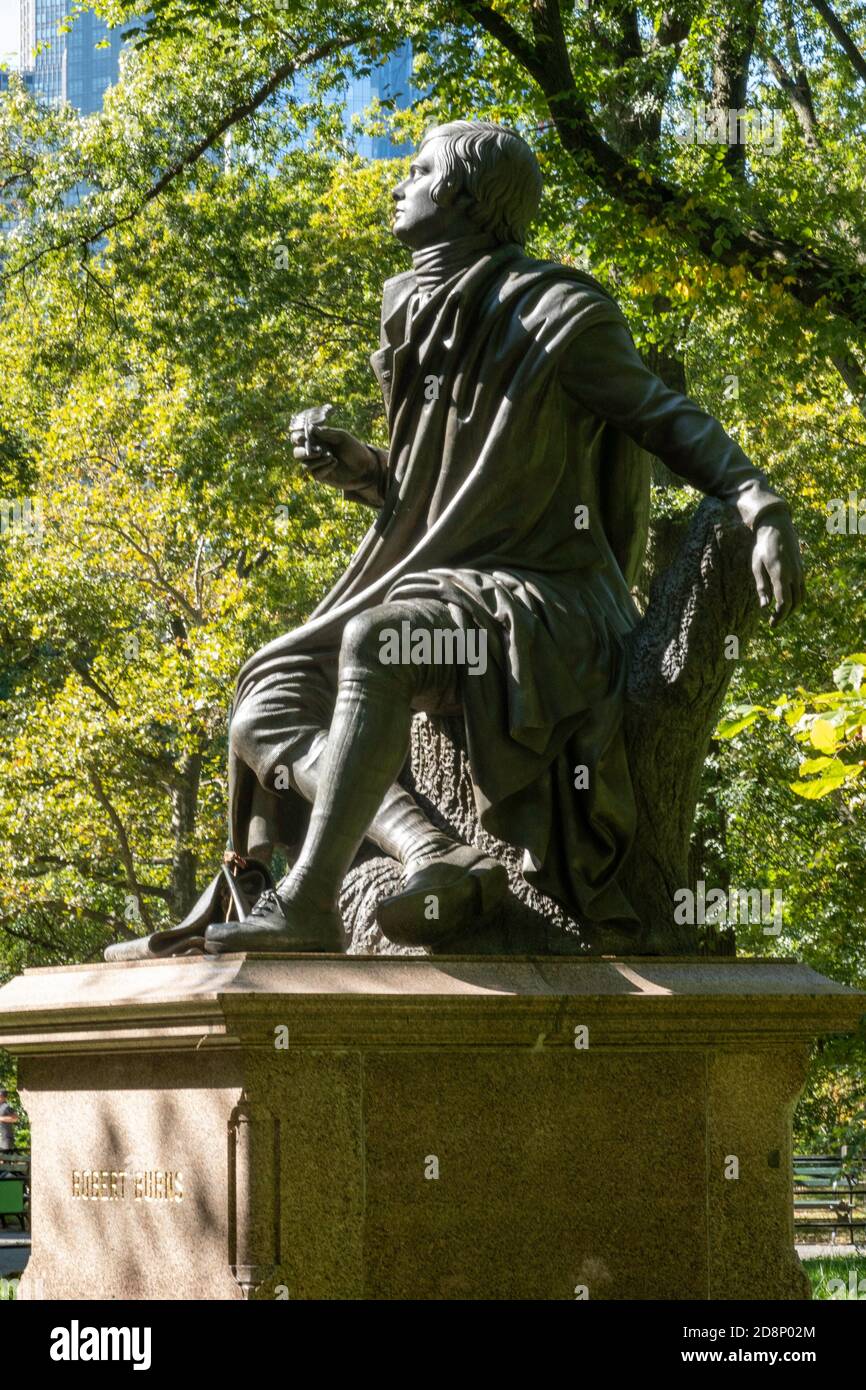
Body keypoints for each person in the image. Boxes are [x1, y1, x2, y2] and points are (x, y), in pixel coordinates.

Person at [200, 119, 803, 955]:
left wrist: (759, 502)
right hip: (445, 586)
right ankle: (432, 851)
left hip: (546, 597)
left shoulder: (559, 312)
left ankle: (305, 906)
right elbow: (438, 494)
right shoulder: (416, 312)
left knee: (381, 638)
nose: (396, 186)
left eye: (415, 171)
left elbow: (668, 419)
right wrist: (359, 468)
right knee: (265, 697)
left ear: (463, 195)